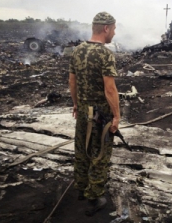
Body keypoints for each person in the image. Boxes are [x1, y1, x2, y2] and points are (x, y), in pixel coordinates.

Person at [69, 12, 120, 216]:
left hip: (82, 111)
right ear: (106, 28)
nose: (114, 33)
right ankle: (95, 196)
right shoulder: (105, 54)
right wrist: (116, 116)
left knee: (82, 150)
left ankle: (81, 188)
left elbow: (72, 82)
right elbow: (110, 90)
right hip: (100, 115)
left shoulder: (77, 50)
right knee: (99, 154)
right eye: (114, 29)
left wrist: (75, 104)